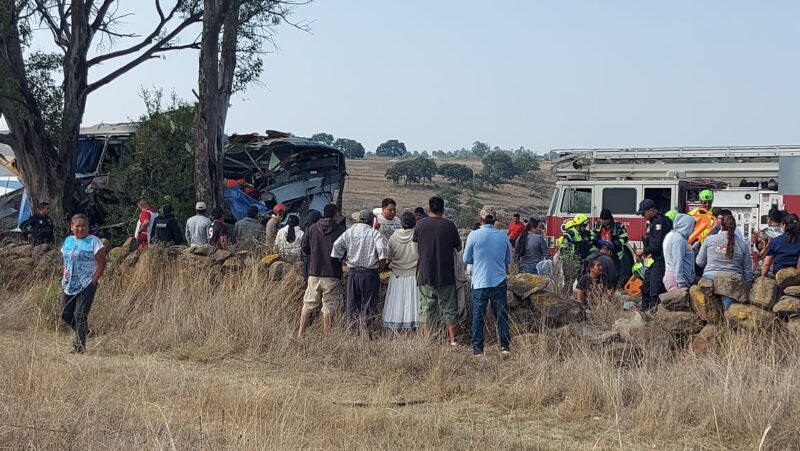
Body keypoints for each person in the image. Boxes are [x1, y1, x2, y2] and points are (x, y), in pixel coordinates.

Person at [413, 196, 462, 346]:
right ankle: (453, 340)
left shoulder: (420, 225)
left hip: (426, 273)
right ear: (443, 209)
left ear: (429, 208)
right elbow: (458, 248)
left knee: (426, 309)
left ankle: (428, 339)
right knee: (449, 308)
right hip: (446, 274)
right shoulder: (449, 226)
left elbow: (416, 249)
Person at [464, 206, 513, 356]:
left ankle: (478, 349)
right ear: (495, 219)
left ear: (481, 219)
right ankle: (504, 347)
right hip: (498, 281)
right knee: (501, 315)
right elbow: (508, 260)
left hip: (479, 281)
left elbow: (466, 259)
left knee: (478, 316)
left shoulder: (473, 235)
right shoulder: (503, 236)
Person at [332, 208, 389, 336]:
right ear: (371, 221)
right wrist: (381, 265)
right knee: (368, 304)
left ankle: (352, 332)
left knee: (352, 304)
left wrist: (342, 258)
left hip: (353, 273)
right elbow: (382, 250)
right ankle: (366, 333)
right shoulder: (375, 234)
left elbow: (336, 246)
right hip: (369, 274)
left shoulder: (350, 232)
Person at [298, 204, 346, 337]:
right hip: (332, 273)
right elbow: (344, 253)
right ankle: (327, 337)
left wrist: (313, 259)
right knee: (329, 307)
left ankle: (300, 333)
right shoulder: (340, 231)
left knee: (308, 304)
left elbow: (304, 249)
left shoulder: (312, 228)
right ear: (336, 214)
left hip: (314, 272)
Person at [60, 214, 106, 354]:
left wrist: (93, 281)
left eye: (83, 226)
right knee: (65, 313)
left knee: (80, 314)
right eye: (77, 226)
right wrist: (64, 275)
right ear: (72, 227)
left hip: (86, 283)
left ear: (88, 227)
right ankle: (84, 331)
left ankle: (80, 347)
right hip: (68, 283)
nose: (80, 228)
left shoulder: (94, 241)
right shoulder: (68, 241)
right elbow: (66, 260)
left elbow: (102, 262)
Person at [697, 212, 752, 310]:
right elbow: (747, 270)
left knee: (709, 309)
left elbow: (699, 262)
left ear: (720, 226)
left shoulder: (709, 239)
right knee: (728, 311)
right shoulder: (743, 245)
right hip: (731, 280)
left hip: (710, 278)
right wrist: (748, 286)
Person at [383, 212, 420, 330]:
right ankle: (411, 330)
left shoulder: (393, 237)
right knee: (411, 306)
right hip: (413, 275)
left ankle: (394, 329)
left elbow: (389, 256)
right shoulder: (417, 237)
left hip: (397, 275)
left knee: (396, 304)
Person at [637, 199, 673, 311]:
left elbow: (657, 246)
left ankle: (654, 313)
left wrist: (643, 250)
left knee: (655, 289)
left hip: (661, 260)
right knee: (646, 286)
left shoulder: (660, 222)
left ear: (651, 210)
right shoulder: (654, 222)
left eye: (643, 213)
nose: (643, 216)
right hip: (654, 260)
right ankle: (644, 310)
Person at [662, 213, 696, 291]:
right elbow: (678, 261)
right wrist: (681, 282)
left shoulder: (672, 235)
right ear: (686, 226)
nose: (693, 230)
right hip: (676, 280)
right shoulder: (679, 239)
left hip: (672, 277)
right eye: (692, 227)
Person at [591, 208, 629, 277]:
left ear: (610, 219)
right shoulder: (597, 225)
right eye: (602, 219)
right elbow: (591, 236)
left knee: (615, 273)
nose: (604, 221)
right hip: (599, 253)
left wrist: (614, 244)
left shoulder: (618, 226)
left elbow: (625, 237)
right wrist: (598, 241)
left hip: (615, 254)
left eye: (605, 220)